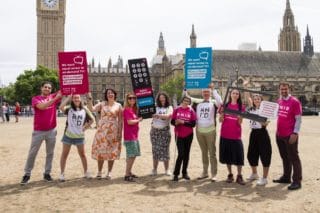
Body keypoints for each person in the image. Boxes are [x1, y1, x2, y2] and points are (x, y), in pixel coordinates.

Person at [20, 82, 62, 185]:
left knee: (50, 153)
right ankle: (27, 174)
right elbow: (42, 107)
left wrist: (64, 73)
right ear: (41, 88)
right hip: (38, 131)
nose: (47, 89)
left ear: (51, 90)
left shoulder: (53, 96)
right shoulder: (36, 99)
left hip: (51, 130)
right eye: (45, 87)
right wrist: (55, 99)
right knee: (32, 153)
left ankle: (47, 173)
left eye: (49, 88)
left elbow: (65, 88)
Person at [184, 83, 222, 182]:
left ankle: (214, 174)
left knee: (212, 153)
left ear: (210, 93)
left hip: (210, 130)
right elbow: (187, 98)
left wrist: (214, 90)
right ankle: (205, 172)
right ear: (202, 93)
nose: (206, 93)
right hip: (199, 130)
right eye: (204, 92)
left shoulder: (214, 102)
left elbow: (220, 102)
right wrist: (185, 88)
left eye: (207, 92)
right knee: (204, 152)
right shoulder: (197, 103)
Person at [87, 88, 123, 179]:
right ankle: (99, 172)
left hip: (113, 131)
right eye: (108, 93)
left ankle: (109, 172)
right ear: (106, 95)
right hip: (102, 131)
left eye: (111, 93)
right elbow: (91, 109)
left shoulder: (118, 105)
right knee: (100, 151)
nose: (110, 94)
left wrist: (120, 133)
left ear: (115, 94)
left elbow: (120, 121)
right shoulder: (102, 104)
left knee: (111, 152)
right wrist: (90, 99)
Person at [58, 94, 95, 182]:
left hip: (79, 136)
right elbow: (61, 107)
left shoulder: (84, 109)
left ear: (80, 99)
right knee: (64, 154)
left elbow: (92, 119)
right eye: (74, 98)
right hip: (68, 135)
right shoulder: (69, 108)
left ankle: (86, 172)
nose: (76, 99)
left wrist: (85, 128)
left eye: (77, 98)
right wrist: (68, 98)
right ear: (72, 99)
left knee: (82, 155)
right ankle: (62, 173)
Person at [273, 82, 302, 190]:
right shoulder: (279, 101)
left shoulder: (294, 102)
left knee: (294, 157)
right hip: (279, 134)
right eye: (282, 89)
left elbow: (298, 119)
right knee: (284, 157)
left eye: (285, 89)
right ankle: (286, 177)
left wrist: (295, 133)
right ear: (279, 90)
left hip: (290, 134)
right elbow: (276, 115)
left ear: (289, 89)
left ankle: (297, 181)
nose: (284, 91)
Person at [219, 88, 246, 185]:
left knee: (239, 156)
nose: (235, 95)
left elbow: (240, 122)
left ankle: (239, 175)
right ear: (230, 94)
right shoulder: (225, 105)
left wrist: (239, 118)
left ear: (239, 96)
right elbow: (220, 120)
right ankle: (230, 174)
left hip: (236, 135)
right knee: (227, 156)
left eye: (237, 94)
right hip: (225, 134)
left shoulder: (241, 107)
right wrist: (221, 117)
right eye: (233, 93)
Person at [245, 93, 272, 186]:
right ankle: (254, 173)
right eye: (255, 99)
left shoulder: (265, 111)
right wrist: (245, 85)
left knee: (265, 155)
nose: (256, 100)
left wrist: (258, 119)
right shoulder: (251, 109)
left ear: (261, 101)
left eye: (258, 99)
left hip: (262, 133)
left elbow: (265, 124)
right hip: (253, 133)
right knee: (251, 154)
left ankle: (264, 178)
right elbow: (247, 97)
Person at [171, 96, 196, 181]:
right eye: (184, 100)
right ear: (182, 101)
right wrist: (176, 123)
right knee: (181, 154)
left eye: (188, 101)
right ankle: (176, 174)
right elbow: (172, 122)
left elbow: (193, 124)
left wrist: (183, 122)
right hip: (179, 134)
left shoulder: (191, 110)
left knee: (186, 154)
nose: (186, 102)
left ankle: (184, 172)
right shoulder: (177, 109)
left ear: (189, 102)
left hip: (189, 135)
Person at [150, 92, 173, 176]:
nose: (162, 99)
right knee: (155, 150)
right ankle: (154, 169)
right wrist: (154, 115)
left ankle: (167, 169)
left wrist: (157, 115)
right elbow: (150, 114)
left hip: (165, 131)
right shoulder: (155, 107)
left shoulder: (169, 107)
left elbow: (168, 116)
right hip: (154, 131)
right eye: (160, 97)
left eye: (163, 97)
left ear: (166, 98)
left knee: (165, 150)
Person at [123, 93, 143, 182]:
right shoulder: (127, 110)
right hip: (130, 136)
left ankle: (129, 172)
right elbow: (129, 122)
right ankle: (127, 175)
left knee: (133, 155)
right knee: (131, 155)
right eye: (130, 98)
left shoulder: (133, 110)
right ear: (127, 100)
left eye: (134, 98)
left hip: (134, 136)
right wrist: (138, 120)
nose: (132, 100)